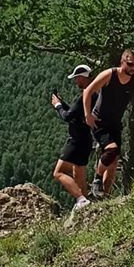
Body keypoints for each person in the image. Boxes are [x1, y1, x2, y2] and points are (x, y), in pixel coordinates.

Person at [82, 49, 134, 198]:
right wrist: (88, 114)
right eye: (130, 64)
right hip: (99, 122)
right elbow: (88, 91)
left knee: (113, 163)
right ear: (122, 62)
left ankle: (103, 196)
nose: (133, 68)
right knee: (111, 150)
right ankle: (97, 179)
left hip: (115, 124)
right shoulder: (109, 75)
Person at [51, 64, 95, 211]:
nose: (76, 82)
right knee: (79, 171)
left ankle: (80, 199)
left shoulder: (84, 96)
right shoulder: (94, 94)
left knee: (58, 172)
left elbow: (68, 116)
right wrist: (63, 103)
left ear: (82, 78)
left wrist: (58, 106)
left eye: (77, 79)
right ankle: (86, 201)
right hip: (87, 139)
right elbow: (76, 113)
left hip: (77, 140)